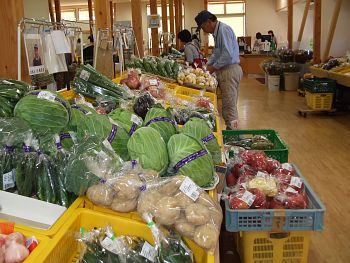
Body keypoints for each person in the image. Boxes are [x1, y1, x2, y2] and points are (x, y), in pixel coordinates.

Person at [195, 10, 243, 130]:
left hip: (229, 70)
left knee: (229, 107)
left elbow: (227, 55)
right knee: (227, 106)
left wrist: (213, 67)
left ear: (208, 22)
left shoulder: (223, 30)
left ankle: (235, 137)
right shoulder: (217, 32)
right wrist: (207, 67)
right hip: (225, 70)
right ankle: (232, 133)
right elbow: (217, 53)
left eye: (202, 27)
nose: (203, 30)